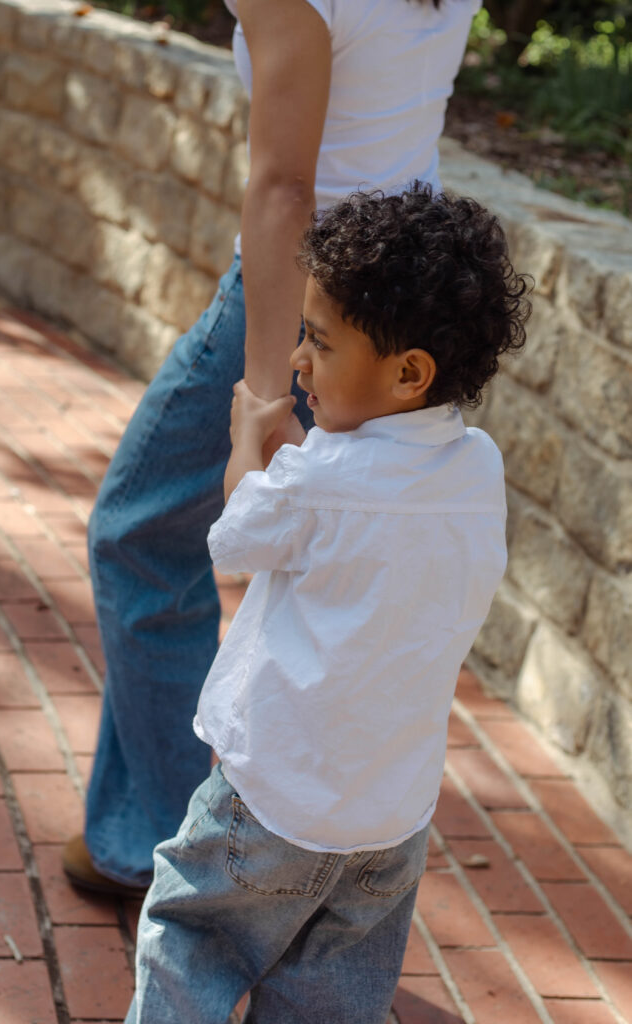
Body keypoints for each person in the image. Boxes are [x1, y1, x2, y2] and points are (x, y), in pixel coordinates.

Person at [63, 0, 482, 894]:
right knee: (332, 582)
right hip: (408, 285)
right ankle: (131, 831)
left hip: (315, 291)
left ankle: (191, 865)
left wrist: (265, 390)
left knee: (136, 535)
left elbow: (287, 185)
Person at [126, 185, 531, 1024]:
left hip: (272, 799)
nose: (299, 361)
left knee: (190, 943)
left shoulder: (313, 481)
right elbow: (372, 512)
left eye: (319, 341)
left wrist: (250, 443)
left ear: (407, 371)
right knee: (330, 1003)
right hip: (389, 820)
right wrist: (305, 463)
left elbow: (237, 535)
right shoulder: (477, 467)